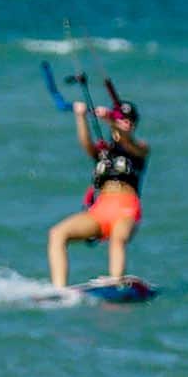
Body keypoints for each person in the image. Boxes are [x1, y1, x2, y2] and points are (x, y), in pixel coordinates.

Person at [46, 98, 148, 287]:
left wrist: (110, 119)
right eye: (123, 119)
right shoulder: (104, 152)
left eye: (130, 121)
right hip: (101, 209)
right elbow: (86, 143)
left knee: (118, 238)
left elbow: (126, 140)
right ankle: (59, 289)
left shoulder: (140, 148)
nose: (127, 123)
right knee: (57, 233)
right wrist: (81, 116)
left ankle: (116, 281)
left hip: (126, 208)